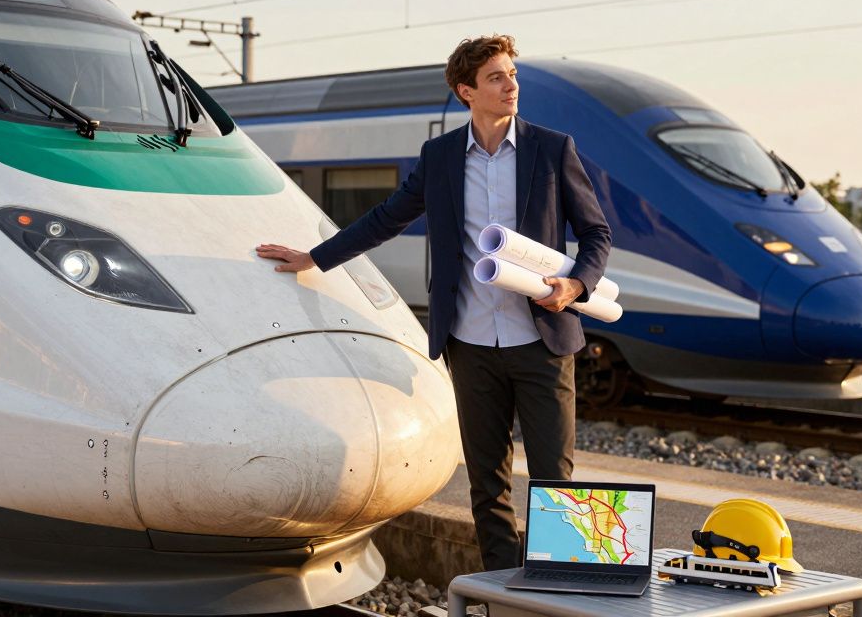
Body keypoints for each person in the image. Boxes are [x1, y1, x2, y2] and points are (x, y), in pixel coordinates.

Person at [256, 35, 611, 571]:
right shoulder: (440, 156)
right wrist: (315, 258)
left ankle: (555, 591)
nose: (511, 84)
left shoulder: (552, 148)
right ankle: (499, 591)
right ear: (466, 90)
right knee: (487, 482)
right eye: (496, 77)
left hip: (542, 340)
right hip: (470, 343)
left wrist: (577, 285)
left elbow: (596, 233)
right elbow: (386, 218)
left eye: (512, 74)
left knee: (553, 482)